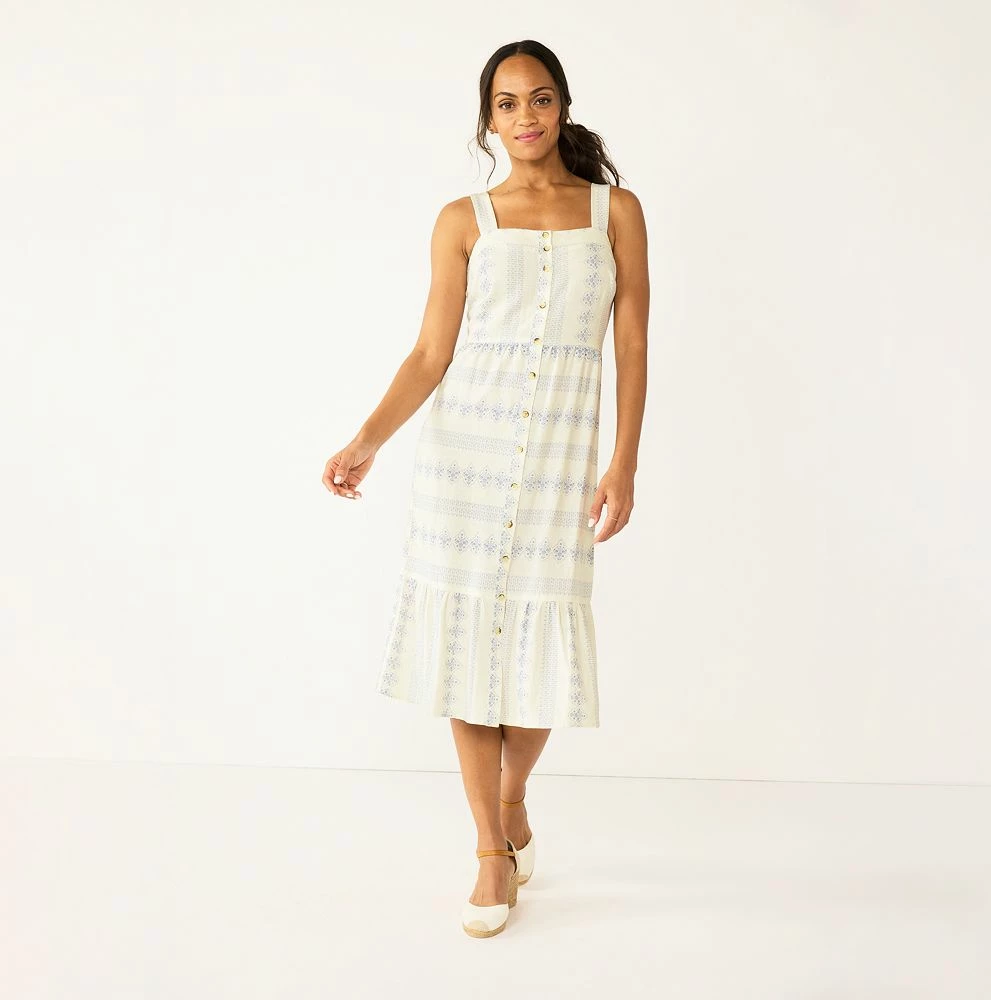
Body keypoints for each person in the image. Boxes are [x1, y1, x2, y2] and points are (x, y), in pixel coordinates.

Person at [321, 39, 649, 937]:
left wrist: (623, 461)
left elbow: (630, 342)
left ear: (563, 106)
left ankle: (510, 801)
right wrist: (366, 441)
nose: (525, 116)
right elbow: (433, 352)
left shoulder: (615, 211)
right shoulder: (461, 220)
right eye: (507, 104)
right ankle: (489, 852)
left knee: (540, 652)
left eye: (539, 98)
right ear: (488, 120)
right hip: (464, 456)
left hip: (560, 463)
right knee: (468, 655)